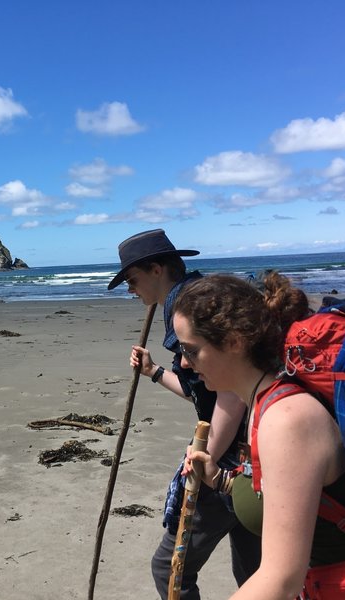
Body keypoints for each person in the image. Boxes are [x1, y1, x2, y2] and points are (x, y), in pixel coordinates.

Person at [177, 272, 345, 599]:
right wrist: (220, 479)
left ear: (233, 342)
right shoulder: (260, 402)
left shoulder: (287, 420)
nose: (185, 365)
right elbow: (286, 496)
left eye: (190, 351)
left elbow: (281, 579)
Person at [107, 229, 261, 600]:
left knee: (169, 569)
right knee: (256, 573)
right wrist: (156, 372)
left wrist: (206, 458)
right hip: (255, 455)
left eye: (133, 280)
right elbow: (205, 390)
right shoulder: (194, 296)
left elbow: (231, 392)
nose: (131, 290)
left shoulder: (188, 307)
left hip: (228, 459)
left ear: (157, 269)